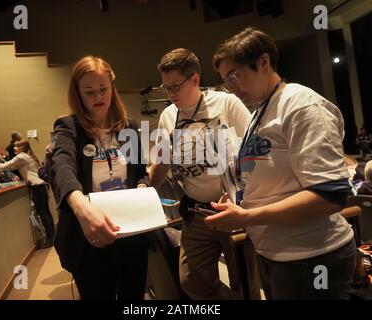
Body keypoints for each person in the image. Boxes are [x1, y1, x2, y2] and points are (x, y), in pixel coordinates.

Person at [207, 27, 357, 300]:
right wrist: (240, 204)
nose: (231, 88)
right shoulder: (261, 110)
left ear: (264, 62)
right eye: (225, 82)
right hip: (276, 253)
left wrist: (247, 217)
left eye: (234, 76)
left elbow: (331, 195)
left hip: (311, 258)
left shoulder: (301, 105)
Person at [150, 48, 259, 299]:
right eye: (165, 87)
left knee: (244, 281)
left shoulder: (226, 103)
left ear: (195, 79)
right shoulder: (169, 115)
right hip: (196, 212)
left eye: (175, 87)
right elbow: (163, 160)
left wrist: (238, 192)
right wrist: (148, 187)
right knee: (191, 280)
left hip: (232, 209)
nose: (170, 94)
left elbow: (255, 151)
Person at [48, 56, 149, 300]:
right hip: (88, 238)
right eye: (89, 91)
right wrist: (81, 205)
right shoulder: (68, 127)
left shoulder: (130, 127)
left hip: (130, 234)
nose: (98, 97)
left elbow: (140, 173)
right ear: (78, 94)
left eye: (103, 89)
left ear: (112, 88)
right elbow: (62, 166)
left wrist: (144, 187)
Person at [0, 140, 55, 246]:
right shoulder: (26, 155)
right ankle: (53, 237)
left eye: (16, 146)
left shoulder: (21, 156)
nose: (13, 149)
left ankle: (50, 239)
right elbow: (11, 167)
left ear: (22, 147)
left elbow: (2, 167)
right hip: (41, 185)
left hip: (37, 186)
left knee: (43, 213)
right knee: (46, 212)